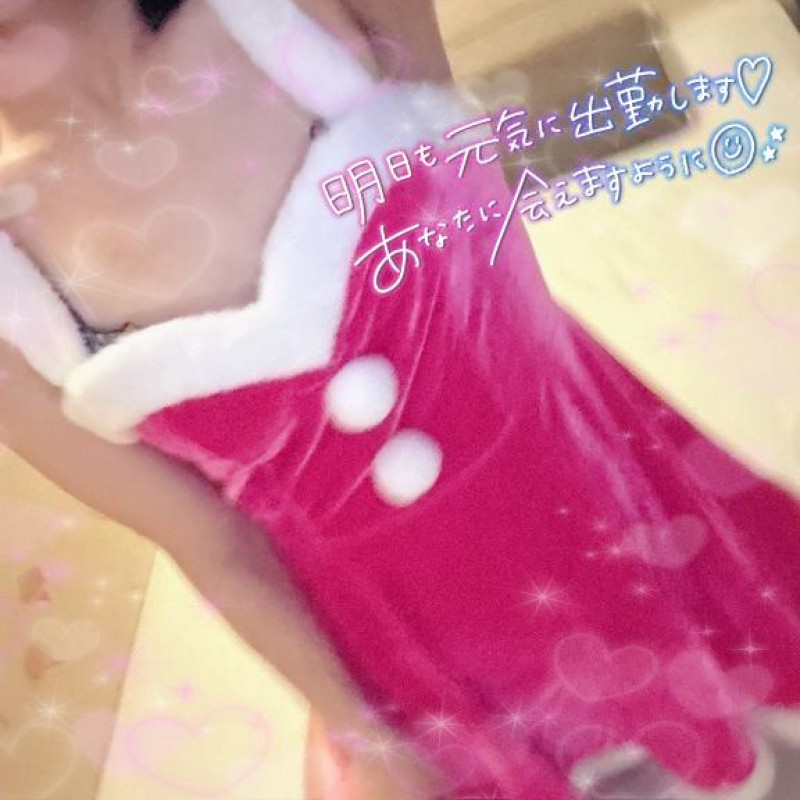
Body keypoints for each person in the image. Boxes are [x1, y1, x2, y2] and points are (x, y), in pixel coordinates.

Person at [1, 1, 800, 798]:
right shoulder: (12, 285)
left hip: (598, 483)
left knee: (730, 701)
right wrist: (369, 740)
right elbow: (214, 547)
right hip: (422, 652)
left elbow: (491, 233)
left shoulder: (300, 17)